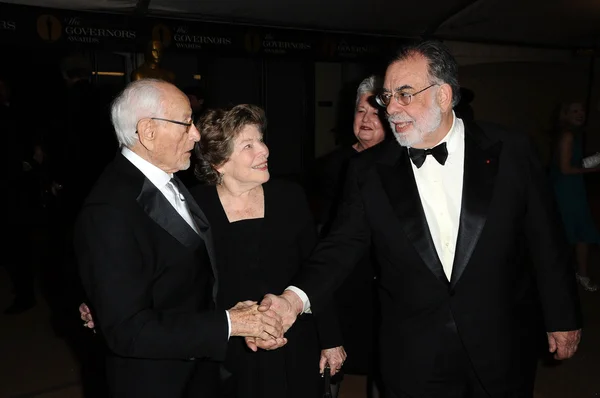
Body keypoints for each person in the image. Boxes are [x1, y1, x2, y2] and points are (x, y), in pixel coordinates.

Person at [252, 40, 582, 398]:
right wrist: (292, 299)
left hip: (501, 340)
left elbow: (545, 239)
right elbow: (339, 247)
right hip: (414, 354)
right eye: (386, 96)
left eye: (404, 94)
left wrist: (562, 317)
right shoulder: (369, 171)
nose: (390, 108)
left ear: (443, 95)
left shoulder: (511, 151)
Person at [74, 79, 284, 398]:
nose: (196, 134)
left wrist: (235, 314)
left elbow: (180, 279)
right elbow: (129, 330)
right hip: (155, 381)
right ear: (148, 132)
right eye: (186, 122)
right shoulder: (111, 208)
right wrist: (229, 324)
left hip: (194, 371)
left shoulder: (164, 180)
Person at [191, 104, 345, 398]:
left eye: (261, 139)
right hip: (228, 347)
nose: (264, 150)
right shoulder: (195, 207)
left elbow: (316, 270)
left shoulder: (289, 196)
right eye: (249, 145)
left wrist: (330, 339)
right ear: (219, 162)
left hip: (293, 339)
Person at [312, 75, 387, 397]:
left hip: (384, 284)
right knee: (331, 366)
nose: (367, 120)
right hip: (342, 283)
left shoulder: (403, 164)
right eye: (360, 111)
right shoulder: (333, 166)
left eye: (375, 112)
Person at [549, 100, 600, 292]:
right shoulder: (568, 135)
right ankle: (574, 275)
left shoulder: (572, 135)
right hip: (566, 190)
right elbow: (565, 169)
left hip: (572, 188)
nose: (580, 114)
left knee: (579, 232)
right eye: (575, 111)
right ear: (566, 114)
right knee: (575, 232)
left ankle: (579, 274)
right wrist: (593, 169)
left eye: (582, 110)